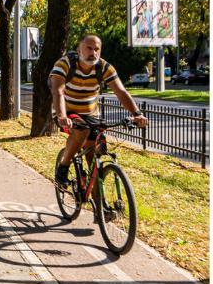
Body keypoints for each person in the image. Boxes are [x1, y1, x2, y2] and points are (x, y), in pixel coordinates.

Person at [51, 35, 148, 186]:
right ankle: (63, 166)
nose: (93, 53)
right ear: (79, 49)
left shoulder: (104, 67)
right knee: (82, 130)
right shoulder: (65, 64)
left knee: (94, 159)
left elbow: (121, 92)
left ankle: (100, 205)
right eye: (89, 48)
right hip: (67, 111)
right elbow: (58, 91)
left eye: (97, 49)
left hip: (91, 114)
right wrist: (62, 116)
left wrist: (137, 114)